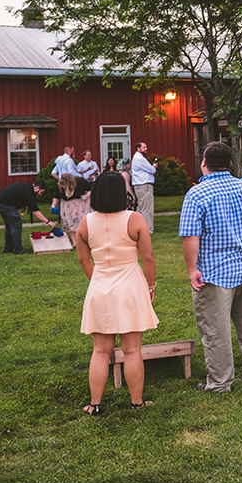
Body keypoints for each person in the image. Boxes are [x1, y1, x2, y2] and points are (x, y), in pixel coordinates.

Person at [179, 141, 242, 393]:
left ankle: (220, 382)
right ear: (230, 163)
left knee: (215, 328)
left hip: (214, 273)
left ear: (204, 163)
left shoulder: (197, 194)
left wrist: (192, 270)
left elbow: (191, 236)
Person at [76, 172, 158, 415]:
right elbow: (148, 257)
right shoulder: (135, 219)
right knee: (132, 350)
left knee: (100, 350)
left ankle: (95, 404)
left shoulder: (85, 223)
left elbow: (83, 258)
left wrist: (99, 281)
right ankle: (136, 402)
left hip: (100, 286)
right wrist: (151, 285)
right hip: (131, 286)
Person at [0, 180, 57, 255]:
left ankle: (8, 249)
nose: (40, 194)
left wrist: (23, 206)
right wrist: (48, 222)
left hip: (0, 203)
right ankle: (18, 251)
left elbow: (19, 196)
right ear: (37, 188)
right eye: (41, 192)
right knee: (16, 224)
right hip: (5, 205)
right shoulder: (30, 192)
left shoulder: (27, 188)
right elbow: (36, 212)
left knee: (10, 226)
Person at [56, 173, 94, 247]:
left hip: (80, 205)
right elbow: (56, 196)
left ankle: (85, 241)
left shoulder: (80, 182)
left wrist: (88, 194)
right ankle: (74, 242)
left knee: (82, 223)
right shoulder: (60, 186)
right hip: (67, 206)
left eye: (64, 185)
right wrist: (53, 205)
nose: (62, 187)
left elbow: (92, 187)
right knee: (70, 223)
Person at [130, 142, 157, 233]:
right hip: (144, 186)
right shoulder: (140, 158)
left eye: (146, 147)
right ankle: (148, 229)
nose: (146, 149)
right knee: (147, 208)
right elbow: (152, 170)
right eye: (144, 147)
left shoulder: (136, 158)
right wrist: (154, 167)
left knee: (141, 208)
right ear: (138, 149)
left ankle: (135, 227)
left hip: (140, 186)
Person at [50, 146, 79, 213]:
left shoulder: (59, 159)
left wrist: (60, 179)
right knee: (68, 198)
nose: (74, 153)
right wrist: (80, 176)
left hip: (61, 182)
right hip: (68, 182)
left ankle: (55, 209)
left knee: (60, 197)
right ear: (69, 152)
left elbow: (53, 173)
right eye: (73, 151)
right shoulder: (69, 161)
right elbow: (71, 172)